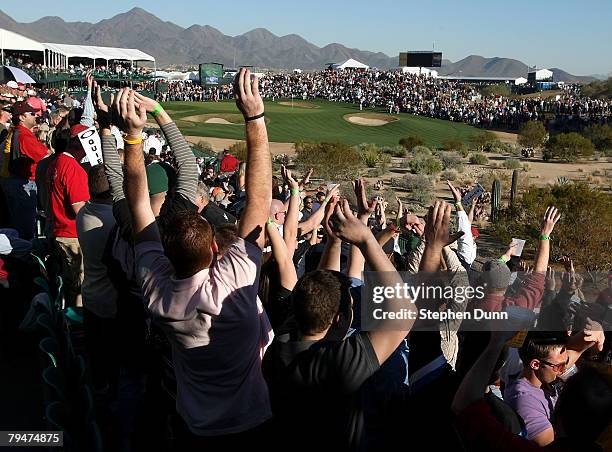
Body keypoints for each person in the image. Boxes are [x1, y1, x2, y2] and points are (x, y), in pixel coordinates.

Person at [118, 69, 273, 448]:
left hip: (193, 427)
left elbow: (138, 202)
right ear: (215, 250)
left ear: (166, 256)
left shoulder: (156, 291)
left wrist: (133, 138)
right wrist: (254, 117)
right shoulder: (233, 282)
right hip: (248, 424)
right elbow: (260, 201)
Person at [262, 199, 453, 451]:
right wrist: (365, 240)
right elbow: (408, 313)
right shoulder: (339, 365)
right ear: (341, 320)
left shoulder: (281, 345)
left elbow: (321, 288)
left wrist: (334, 241)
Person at [504, 325, 605, 446]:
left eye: (566, 362)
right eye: (559, 366)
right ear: (535, 364)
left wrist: (595, 329)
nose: (563, 371)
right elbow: (553, 447)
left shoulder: (546, 372)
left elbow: (577, 347)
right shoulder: (525, 401)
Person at [76, 164, 118, 394]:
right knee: (109, 364)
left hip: (91, 296)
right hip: (109, 304)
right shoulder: (113, 221)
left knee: (97, 362)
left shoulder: (84, 212)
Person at [47, 124, 90, 307]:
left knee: (70, 284)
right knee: (78, 288)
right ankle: (76, 330)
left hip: (60, 229)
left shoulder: (57, 161)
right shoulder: (72, 167)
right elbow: (79, 210)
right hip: (71, 234)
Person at [1, 101, 50, 239]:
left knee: (19, 226)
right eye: (32, 114)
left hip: (15, 181)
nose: (36, 116)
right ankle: (25, 256)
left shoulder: (16, 131)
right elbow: (46, 156)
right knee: (25, 231)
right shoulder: (24, 134)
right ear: (22, 117)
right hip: (23, 184)